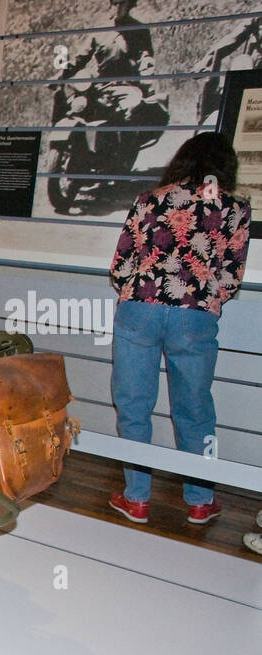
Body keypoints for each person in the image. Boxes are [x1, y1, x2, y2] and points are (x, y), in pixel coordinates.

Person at [108, 133, 251, 525]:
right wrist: (206, 299)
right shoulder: (235, 206)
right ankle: (201, 500)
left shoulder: (150, 199)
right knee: (195, 409)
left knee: (134, 405)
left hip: (140, 306)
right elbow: (232, 275)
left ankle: (137, 498)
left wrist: (138, 292)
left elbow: (121, 263)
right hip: (195, 314)